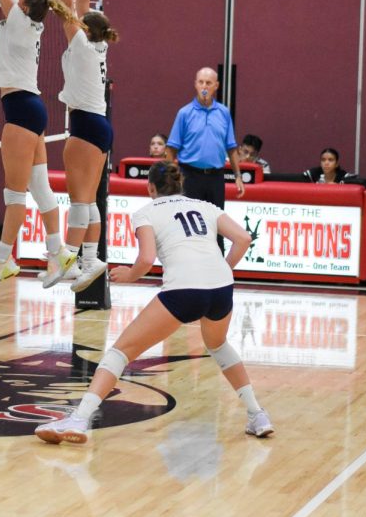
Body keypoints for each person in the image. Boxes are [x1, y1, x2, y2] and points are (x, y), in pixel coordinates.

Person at [34, 161, 274, 444]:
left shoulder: (145, 212)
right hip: (221, 287)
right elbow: (243, 238)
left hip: (185, 289)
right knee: (219, 345)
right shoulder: (205, 206)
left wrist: (129, 275)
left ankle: (79, 418)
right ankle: (257, 414)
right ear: (180, 185)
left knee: (120, 352)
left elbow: (146, 259)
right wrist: (223, 267)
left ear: (150, 188)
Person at [0, 0, 78, 289]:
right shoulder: (33, 20)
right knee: (39, 187)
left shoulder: (18, 19)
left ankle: (3, 259)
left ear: (23, 7)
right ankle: (60, 252)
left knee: (14, 194)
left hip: (20, 109)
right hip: (32, 106)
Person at [53, 0, 117, 292]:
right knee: (89, 199)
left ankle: (71, 261)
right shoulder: (98, 44)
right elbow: (80, 6)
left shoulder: (81, 44)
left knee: (79, 199)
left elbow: (67, 9)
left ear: (85, 29)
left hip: (87, 124)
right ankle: (90, 259)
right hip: (99, 124)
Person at [164, 68, 245, 251]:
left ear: (216, 86)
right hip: (189, 176)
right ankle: (188, 270)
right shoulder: (184, 113)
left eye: (208, 83)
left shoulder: (223, 113)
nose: (204, 86)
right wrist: (171, 176)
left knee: (216, 225)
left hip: (215, 177)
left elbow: (231, 148)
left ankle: (217, 272)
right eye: (201, 82)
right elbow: (171, 149)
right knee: (188, 225)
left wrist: (238, 176)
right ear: (195, 84)